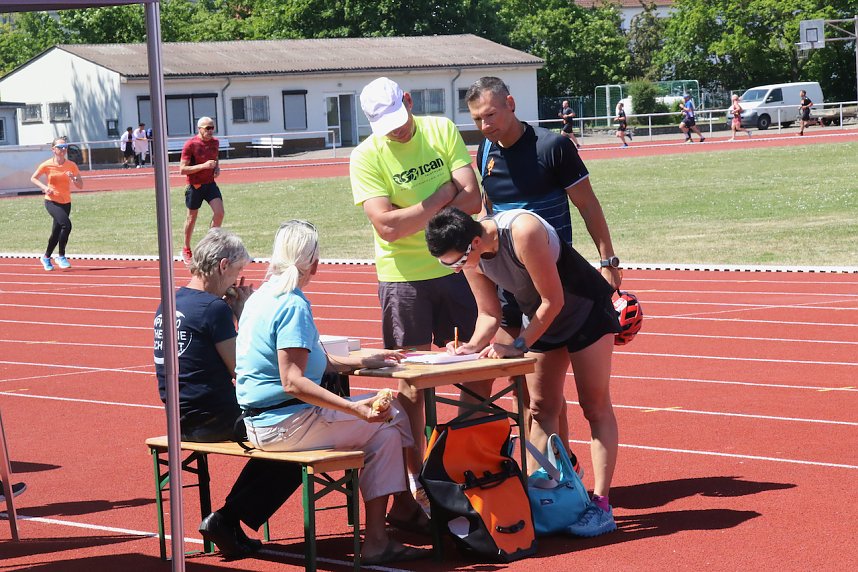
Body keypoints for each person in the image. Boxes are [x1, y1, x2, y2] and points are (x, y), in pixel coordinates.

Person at [235, 220, 431, 565]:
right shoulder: (292, 304)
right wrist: (355, 409)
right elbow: (293, 380)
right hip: (285, 423)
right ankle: (398, 516)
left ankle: (396, 517)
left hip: (264, 420)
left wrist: (361, 360)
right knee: (387, 424)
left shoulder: (260, 297)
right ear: (313, 262)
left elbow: (310, 362)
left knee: (390, 418)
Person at [426, 206, 622, 538]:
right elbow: (489, 314)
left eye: (457, 262)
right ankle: (540, 495)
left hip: (584, 311)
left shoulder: (522, 231)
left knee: (594, 405)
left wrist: (518, 345)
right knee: (541, 408)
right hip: (543, 323)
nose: (457, 270)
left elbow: (553, 300)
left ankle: (601, 505)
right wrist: (470, 348)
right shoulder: (474, 257)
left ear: (475, 242)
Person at [465, 76, 623, 472]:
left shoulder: (553, 147)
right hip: (511, 285)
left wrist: (608, 261)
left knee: (574, 397)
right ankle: (560, 470)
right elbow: (488, 210)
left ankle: (569, 477)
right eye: (477, 119)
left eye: (491, 115)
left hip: (556, 279)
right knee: (538, 400)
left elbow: (587, 204)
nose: (485, 126)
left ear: (511, 103)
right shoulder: (485, 149)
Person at [349, 76, 482, 505]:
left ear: (409, 100)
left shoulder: (440, 129)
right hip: (402, 277)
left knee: (476, 365)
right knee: (409, 382)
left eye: (399, 119)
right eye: (385, 126)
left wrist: (415, 216)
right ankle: (416, 480)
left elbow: (474, 199)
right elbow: (387, 229)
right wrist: (442, 197)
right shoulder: (366, 156)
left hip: (458, 266)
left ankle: (467, 460)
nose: (396, 131)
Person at [153, 228, 302, 559]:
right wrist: (243, 313)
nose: (238, 281)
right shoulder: (213, 309)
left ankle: (228, 522)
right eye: (237, 272)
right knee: (291, 436)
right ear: (222, 266)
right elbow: (242, 369)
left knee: (278, 434)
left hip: (179, 418)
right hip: (213, 419)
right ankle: (226, 519)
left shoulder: (170, 300)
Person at [30, 137, 83, 271]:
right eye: (60, 147)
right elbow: (33, 178)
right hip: (52, 201)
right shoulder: (47, 164)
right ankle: (61, 256)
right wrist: (44, 187)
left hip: (66, 202)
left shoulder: (71, 165)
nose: (63, 149)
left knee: (56, 231)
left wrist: (73, 178)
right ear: (53, 149)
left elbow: (80, 185)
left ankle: (46, 257)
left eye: (65, 146)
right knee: (67, 225)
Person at [179, 116, 224, 266]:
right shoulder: (190, 145)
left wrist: (216, 168)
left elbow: (215, 158)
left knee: (220, 213)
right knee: (191, 218)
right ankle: (186, 248)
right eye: (207, 128)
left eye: (212, 127)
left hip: (210, 184)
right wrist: (204, 166)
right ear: (199, 129)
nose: (211, 131)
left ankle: (209, 244)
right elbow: (182, 170)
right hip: (195, 186)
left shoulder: (215, 142)